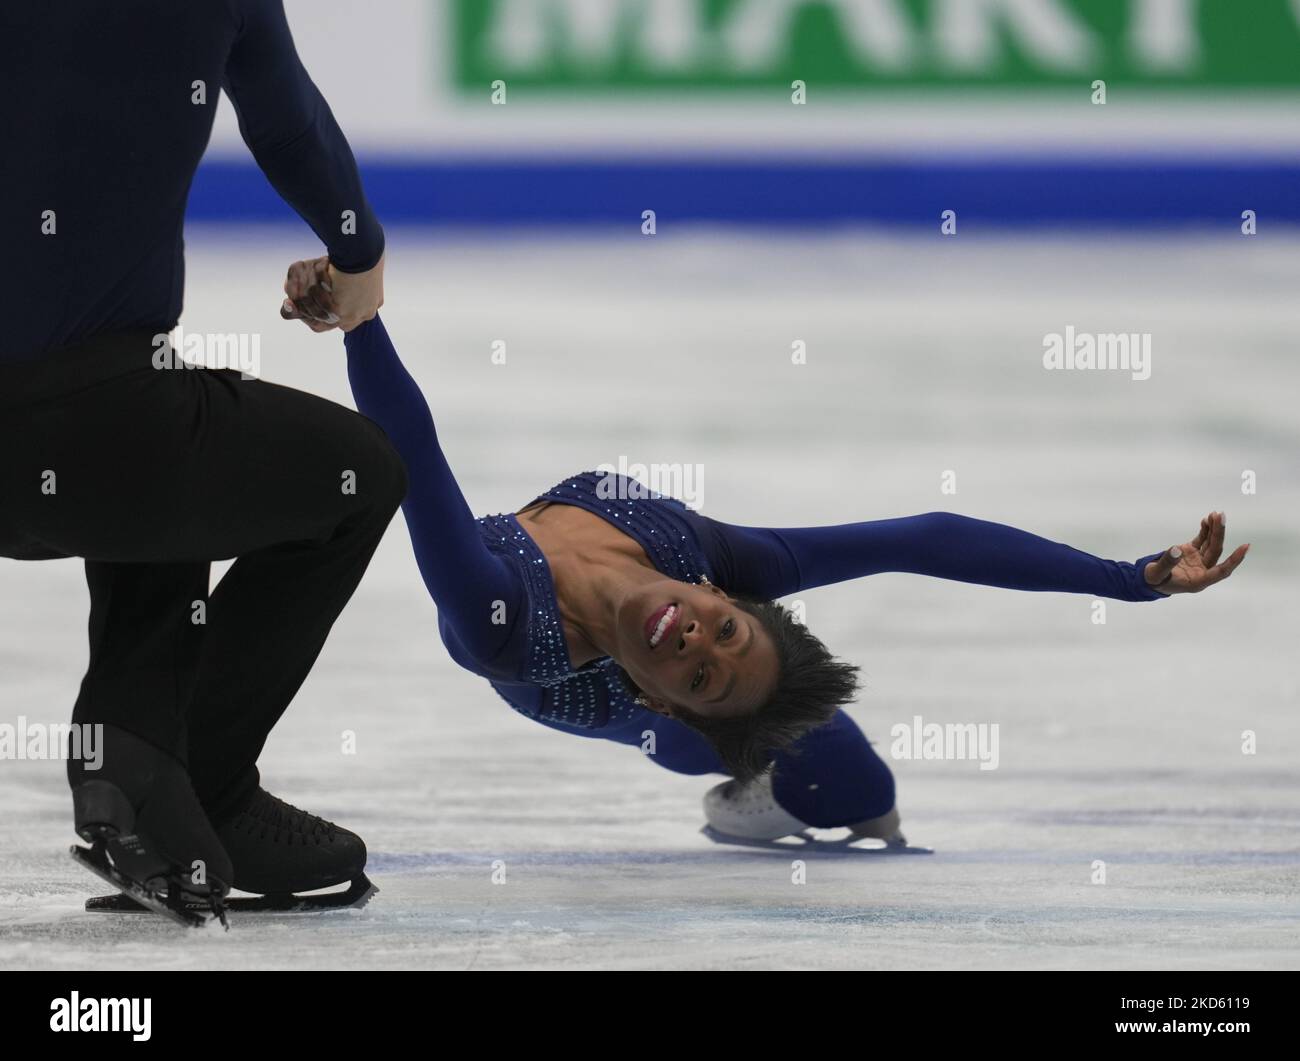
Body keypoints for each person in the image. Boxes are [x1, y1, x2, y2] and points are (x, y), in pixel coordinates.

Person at [283, 267, 1249, 844]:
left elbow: (413, 454)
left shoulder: (505, 627)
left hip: (596, 693)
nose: (695, 639)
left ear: (667, 690)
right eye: (726, 631)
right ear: (721, 592)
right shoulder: (708, 557)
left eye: (700, 672)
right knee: (864, 791)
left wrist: (358, 317)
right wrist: (1129, 580)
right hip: (676, 699)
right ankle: (758, 757)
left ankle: (733, 777)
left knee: (853, 798)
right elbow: (923, 538)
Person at [0, 2, 400, 915]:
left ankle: (136, 748)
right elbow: (288, 119)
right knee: (358, 478)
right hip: (100, 429)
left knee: (171, 432)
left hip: (112, 432)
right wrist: (358, 249)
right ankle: (187, 779)